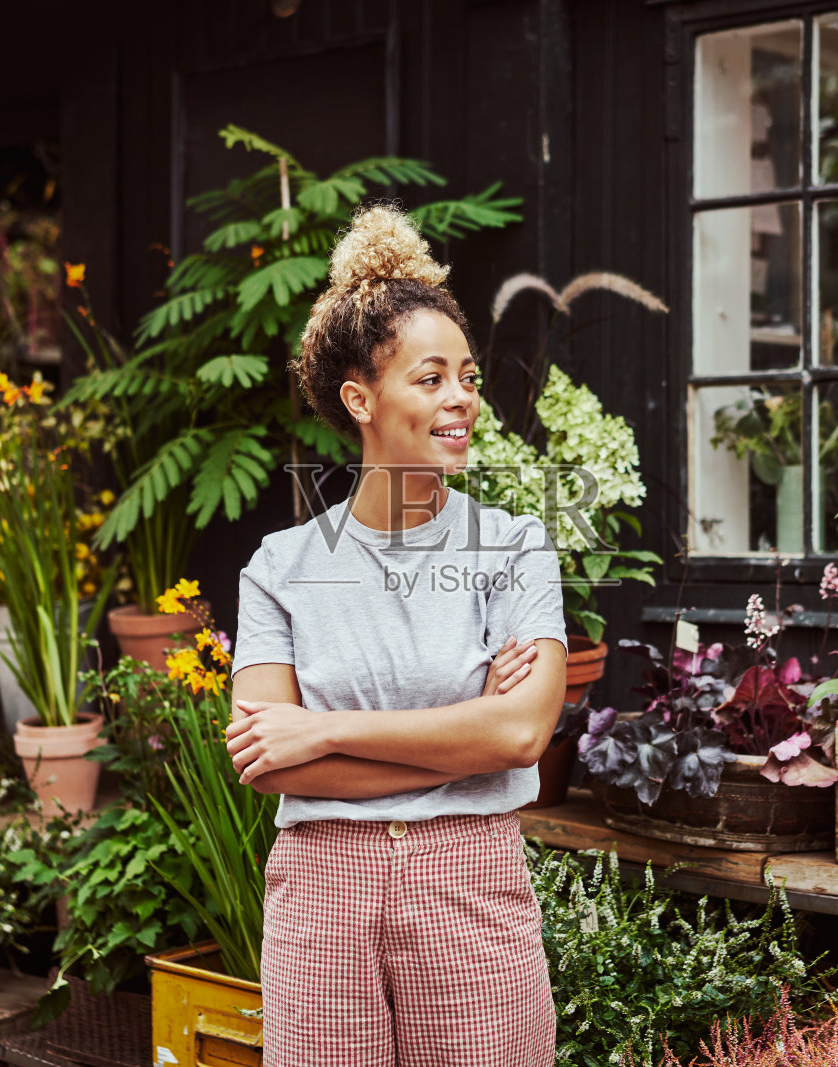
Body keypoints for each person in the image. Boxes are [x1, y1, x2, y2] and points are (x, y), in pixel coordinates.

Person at [224, 204, 568, 1067]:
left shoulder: (515, 547)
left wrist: (325, 728)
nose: (461, 399)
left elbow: (521, 733)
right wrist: (464, 735)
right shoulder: (281, 566)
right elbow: (271, 762)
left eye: (469, 377)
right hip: (321, 895)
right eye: (431, 378)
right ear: (360, 398)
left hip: (470, 881)